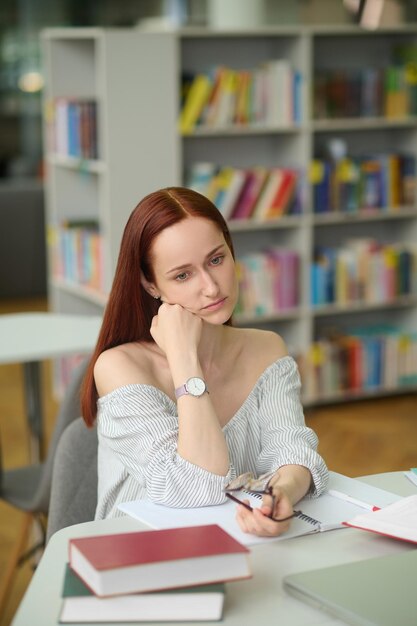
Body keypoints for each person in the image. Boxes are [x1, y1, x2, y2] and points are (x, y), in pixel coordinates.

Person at [81, 187, 328, 538]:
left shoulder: (266, 349)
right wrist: (184, 358)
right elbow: (196, 487)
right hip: (138, 556)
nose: (211, 287)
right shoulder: (119, 367)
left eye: (216, 259)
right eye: (183, 275)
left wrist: (280, 493)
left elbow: (291, 449)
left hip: (237, 542)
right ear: (151, 285)